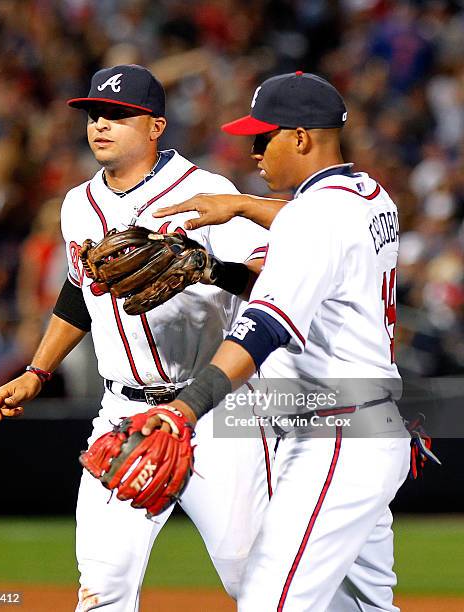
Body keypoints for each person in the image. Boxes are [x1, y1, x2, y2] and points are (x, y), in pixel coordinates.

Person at [0, 64, 274, 611]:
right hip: (123, 412)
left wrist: (209, 269)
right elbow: (78, 295)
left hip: (213, 408)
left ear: (156, 127)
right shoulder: (78, 204)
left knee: (255, 580)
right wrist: (36, 371)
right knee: (103, 589)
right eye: (95, 113)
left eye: (119, 115)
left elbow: (270, 275)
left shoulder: (204, 191)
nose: (101, 124)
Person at [146, 71, 411, 611]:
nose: (252, 151)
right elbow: (311, 234)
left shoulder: (315, 218)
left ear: (301, 137)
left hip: (334, 434)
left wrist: (185, 408)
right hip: (372, 425)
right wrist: (241, 210)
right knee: (357, 607)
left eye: (262, 137)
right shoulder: (369, 196)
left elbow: (263, 326)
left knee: (270, 599)